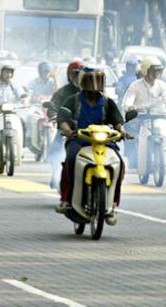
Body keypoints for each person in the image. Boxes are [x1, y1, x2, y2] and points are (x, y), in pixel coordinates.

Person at [55, 67, 131, 225]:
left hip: (104, 141)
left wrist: (122, 131)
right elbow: (63, 118)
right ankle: (66, 199)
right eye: (90, 81)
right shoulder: (73, 100)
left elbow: (117, 120)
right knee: (71, 159)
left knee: (119, 164)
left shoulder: (107, 102)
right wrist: (67, 130)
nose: (94, 86)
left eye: (98, 81)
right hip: (78, 139)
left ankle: (113, 205)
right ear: (82, 82)